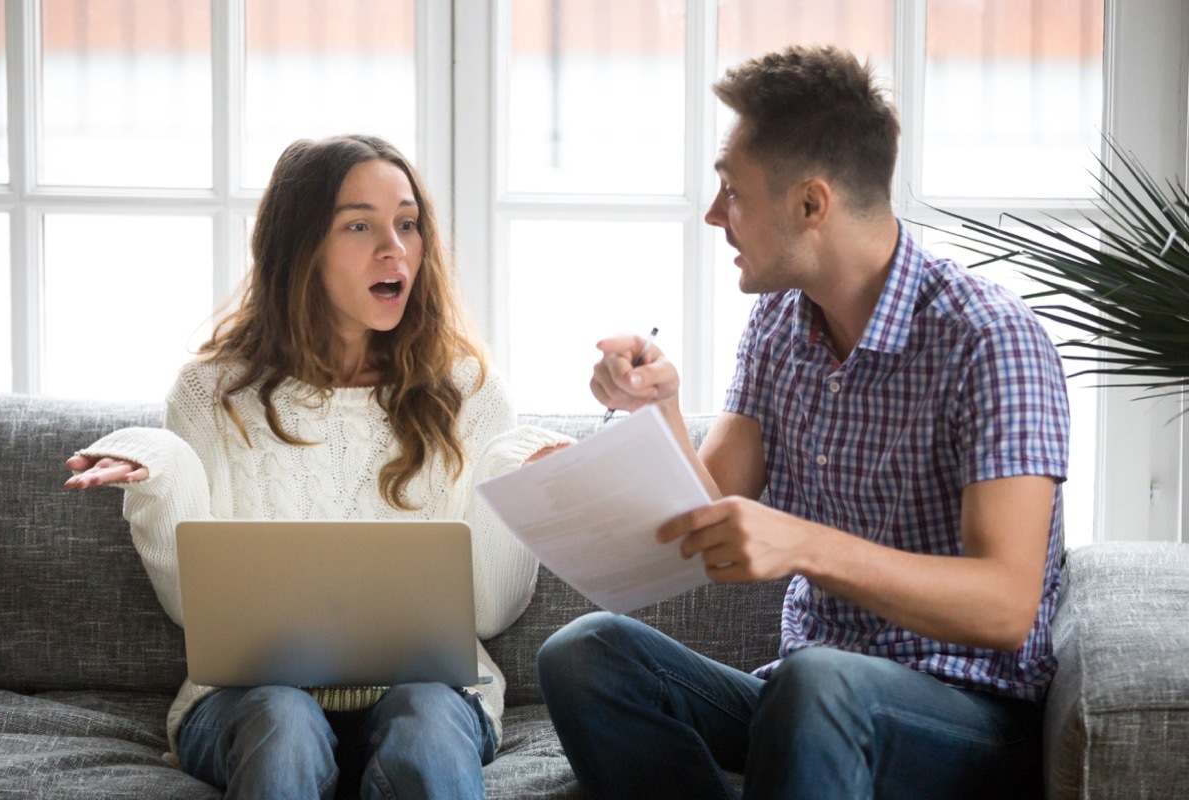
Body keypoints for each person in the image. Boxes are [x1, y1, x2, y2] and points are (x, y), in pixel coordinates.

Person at [536, 45, 1069, 800]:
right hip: (800, 698)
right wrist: (651, 418)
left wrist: (809, 546)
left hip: (964, 717)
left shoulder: (991, 340)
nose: (715, 214)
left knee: (819, 681)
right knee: (584, 653)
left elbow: (1007, 606)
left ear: (811, 205)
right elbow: (710, 506)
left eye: (732, 193)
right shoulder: (778, 323)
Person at [64, 134, 570, 800]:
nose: (395, 248)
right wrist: (162, 471)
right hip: (250, 699)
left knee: (426, 726)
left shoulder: (470, 390)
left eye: (408, 224)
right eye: (360, 225)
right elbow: (196, 612)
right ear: (300, 247)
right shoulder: (211, 392)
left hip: (432, 694)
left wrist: (512, 474)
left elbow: (485, 615)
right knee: (284, 723)